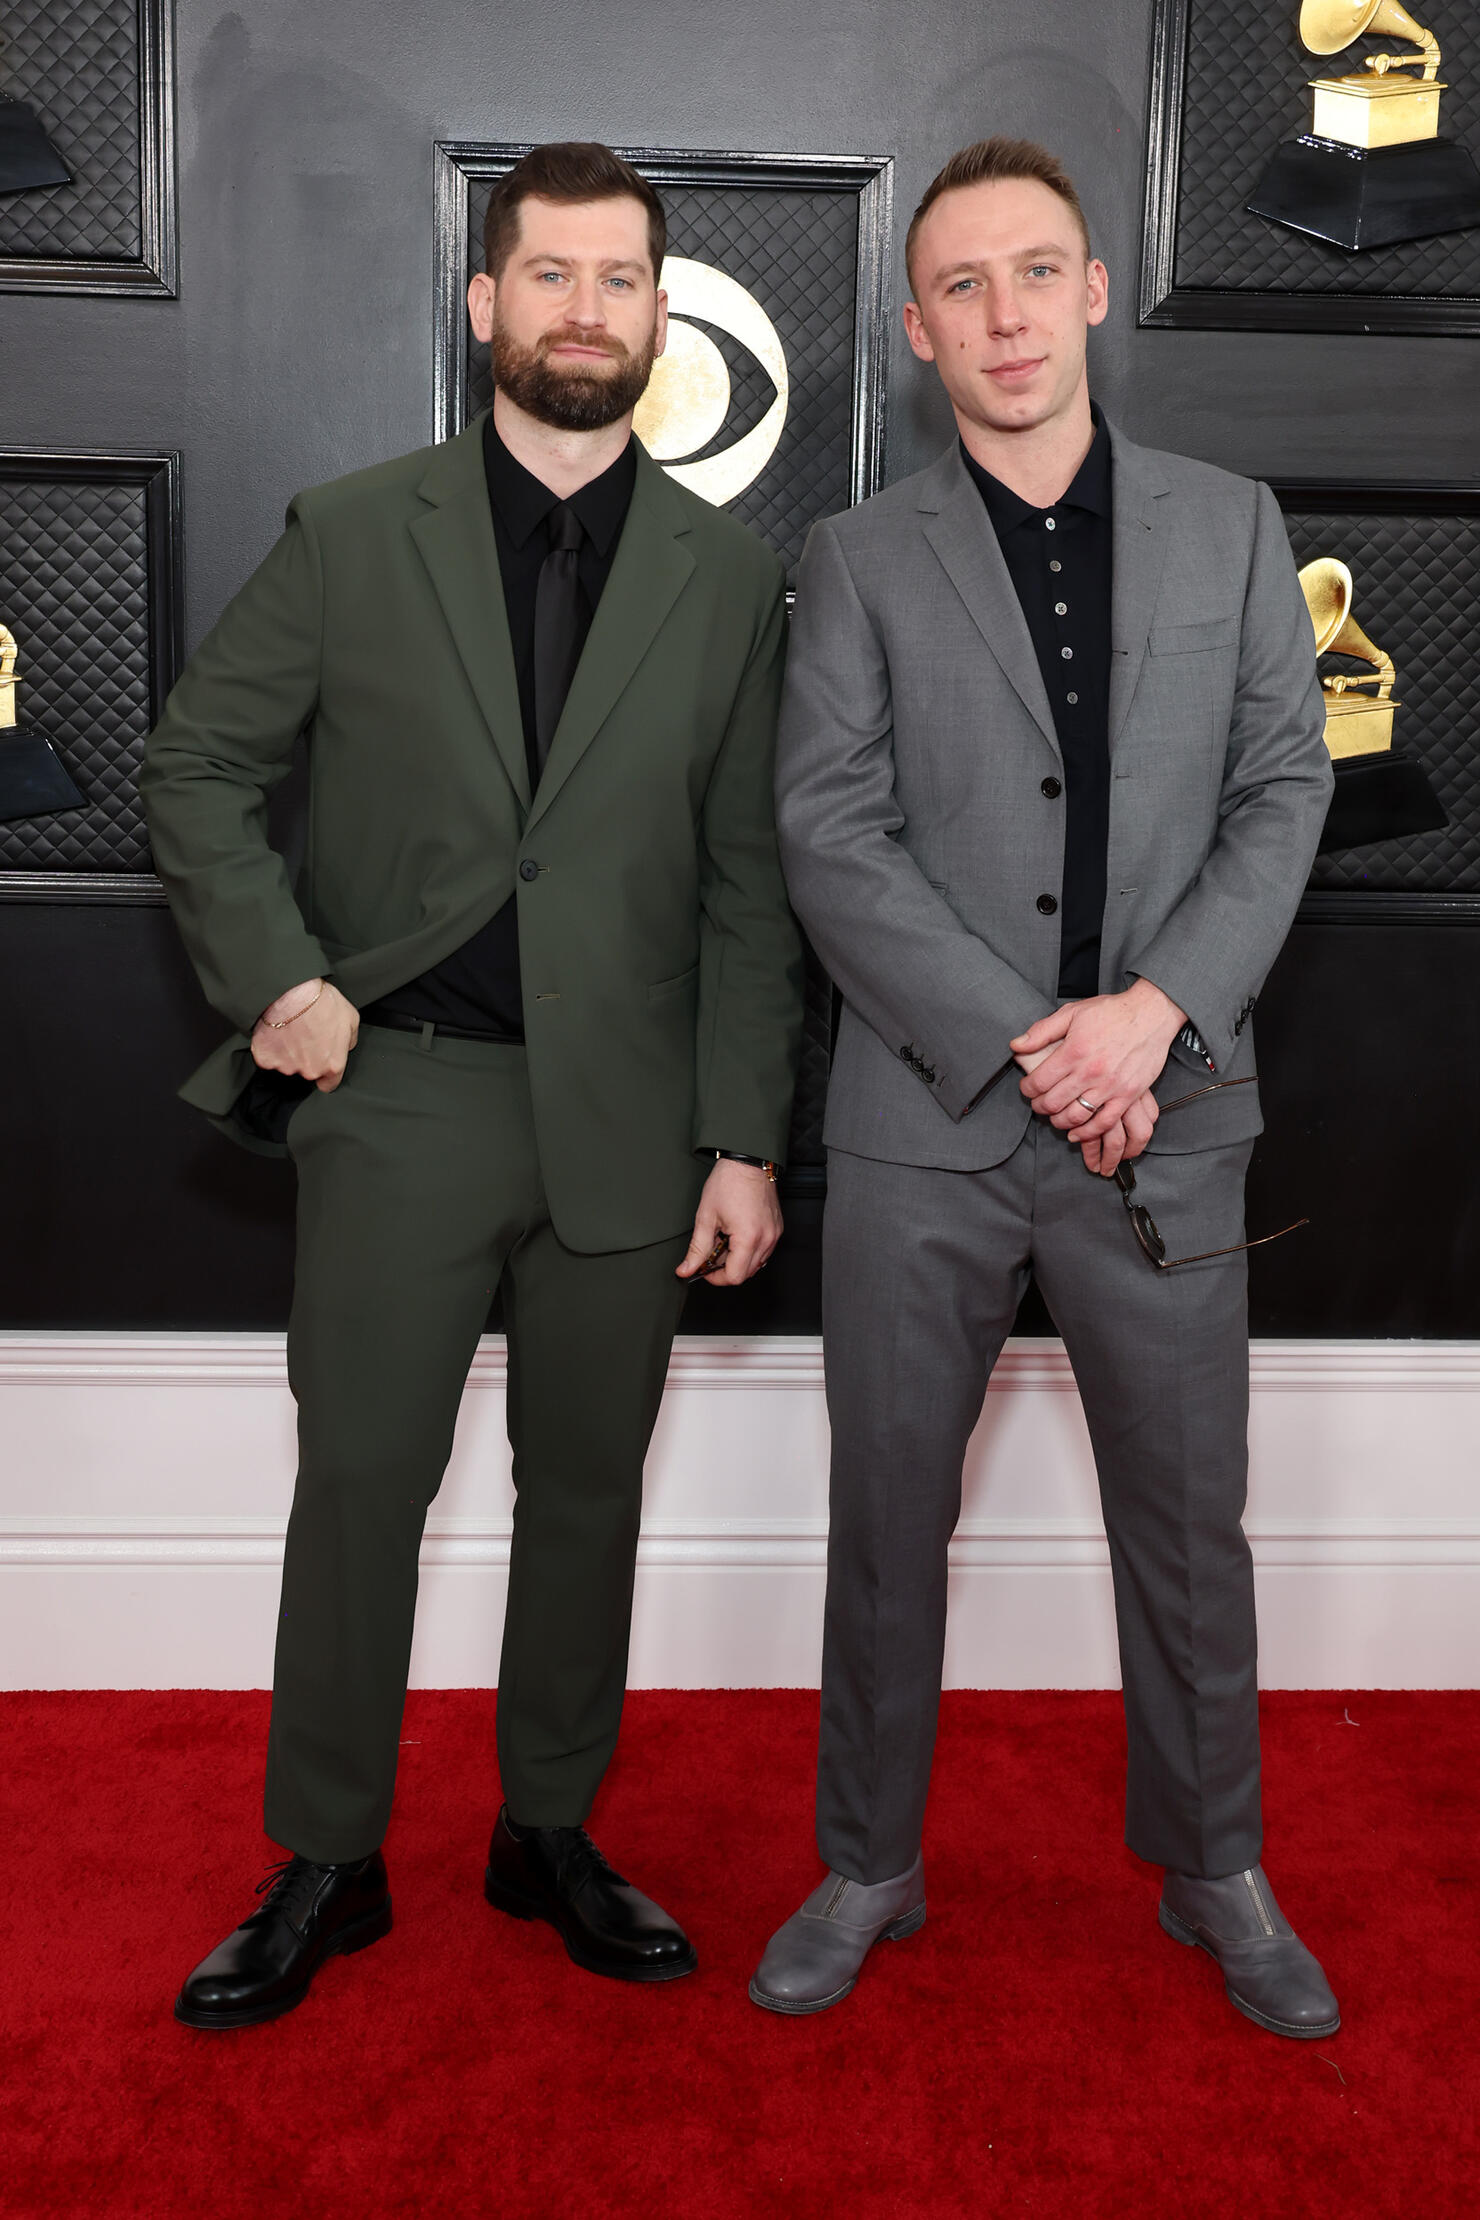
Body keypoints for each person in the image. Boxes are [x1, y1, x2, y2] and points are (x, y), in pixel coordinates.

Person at [142, 141, 803, 2029]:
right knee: (360, 1483)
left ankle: (548, 1834)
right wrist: (280, 978)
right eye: (549, 274)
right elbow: (195, 767)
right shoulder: (356, 530)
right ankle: (329, 1860)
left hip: (630, 1119)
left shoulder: (730, 575)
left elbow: (752, 882)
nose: (584, 308)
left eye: (618, 278)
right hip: (401, 1100)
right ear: (484, 303)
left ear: (659, 316)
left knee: (587, 1489)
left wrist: (745, 1132)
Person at [755, 137, 1338, 2038]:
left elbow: (1284, 793)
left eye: (1035, 273)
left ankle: (1216, 1866)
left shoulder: (1235, 524)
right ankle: (867, 1863)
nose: (1003, 316)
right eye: (961, 289)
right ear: (920, 332)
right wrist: (1038, 1036)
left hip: (1172, 1117)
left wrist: (1149, 1013)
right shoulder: (851, 558)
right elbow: (830, 835)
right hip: (930, 1124)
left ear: (1095, 289)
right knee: (884, 1514)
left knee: (1191, 1524)